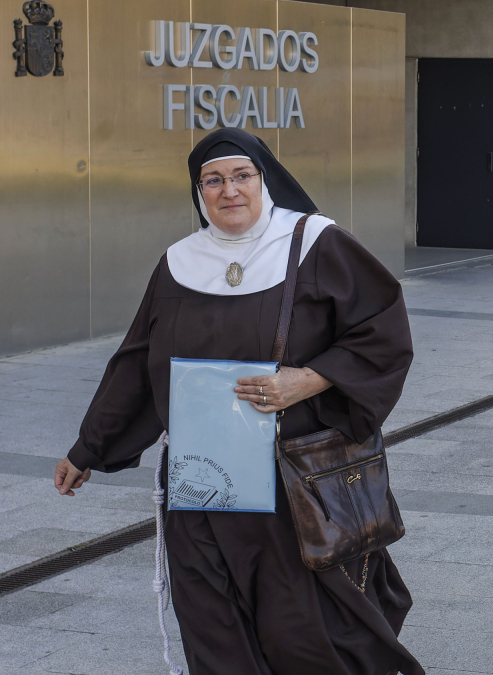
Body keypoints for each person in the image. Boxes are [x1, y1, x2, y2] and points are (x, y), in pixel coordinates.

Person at [53, 128, 423, 675]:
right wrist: (88, 449)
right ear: (199, 192)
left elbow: (383, 331)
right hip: (201, 481)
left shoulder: (316, 242)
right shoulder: (180, 262)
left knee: (300, 627)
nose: (230, 190)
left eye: (242, 175)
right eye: (214, 180)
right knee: (211, 623)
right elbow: (137, 362)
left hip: (290, 483)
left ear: (264, 179)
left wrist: (310, 378)